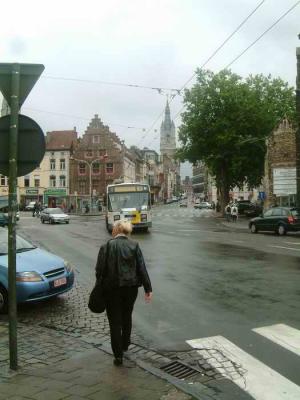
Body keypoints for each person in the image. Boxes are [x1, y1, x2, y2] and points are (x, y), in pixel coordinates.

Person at [95, 220, 152, 366]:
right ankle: (125, 344)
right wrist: (148, 289)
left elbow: (99, 270)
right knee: (127, 316)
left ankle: (118, 356)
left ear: (116, 230)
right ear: (127, 231)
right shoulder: (134, 245)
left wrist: (100, 286)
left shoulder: (106, 246)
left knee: (115, 322)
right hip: (131, 288)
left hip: (111, 289)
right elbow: (141, 268)